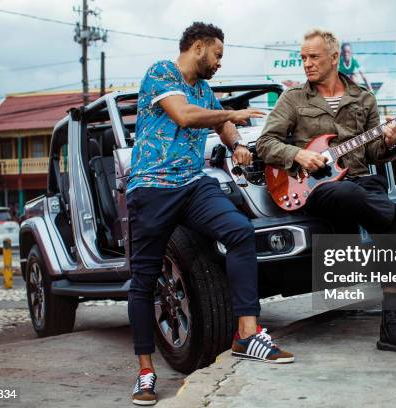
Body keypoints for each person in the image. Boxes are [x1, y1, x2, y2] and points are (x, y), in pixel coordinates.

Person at [257, 29, 396, 358]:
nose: (306, 64)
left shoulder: (363, 98)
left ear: (334, 58)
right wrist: (298, 155)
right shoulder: (293, 99)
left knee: (394, 228)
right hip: (315, 188)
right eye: (303, 58)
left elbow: (372, 154)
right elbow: (266, 143)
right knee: (348, 193)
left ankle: (392, 326)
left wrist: (390, 141)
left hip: (361, 183)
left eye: (313, 57)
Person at [126, 22, 294, 406]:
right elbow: (184, 116)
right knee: (144, 279)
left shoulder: (203, 90)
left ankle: (247, 335)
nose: (219, 62)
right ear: (198, 47)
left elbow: (219, 124)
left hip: (191, 183)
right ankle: (146, 372)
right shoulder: (160, 73)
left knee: (239, 231)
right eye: (218, 54)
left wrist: (236, 145)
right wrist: (233, 115)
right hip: (151, 188)